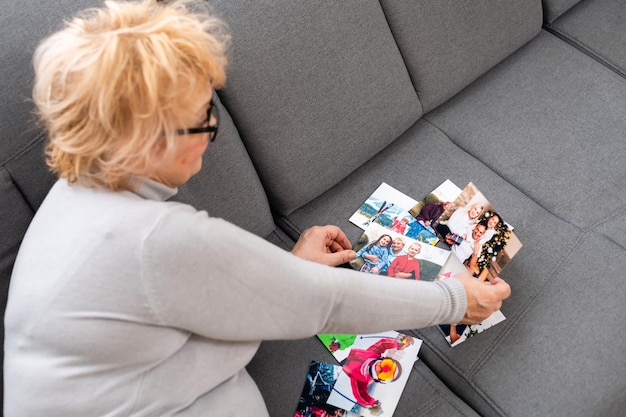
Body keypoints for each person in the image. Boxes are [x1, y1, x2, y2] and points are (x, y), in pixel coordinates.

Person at [3, 1, 510, 416]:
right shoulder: (153, 237)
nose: (212, 134)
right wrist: (455, 300)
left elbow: (169, 304)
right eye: (202, 118)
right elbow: (329, 302)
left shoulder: (76, 190)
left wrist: (286, 272)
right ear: (145, 144)